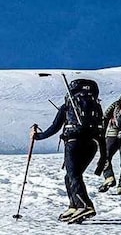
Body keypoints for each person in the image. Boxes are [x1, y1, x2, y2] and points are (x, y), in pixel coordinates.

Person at [31, 78, 103, 223]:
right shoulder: (96, 106)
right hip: (93, 144)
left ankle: (84, 205)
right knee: (70, 176)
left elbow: (54, 127)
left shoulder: (69, 105)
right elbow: (102, 131)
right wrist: (103, 158)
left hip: (73, 142)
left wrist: (37, 136)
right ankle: (74, 205)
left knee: (73, 175)